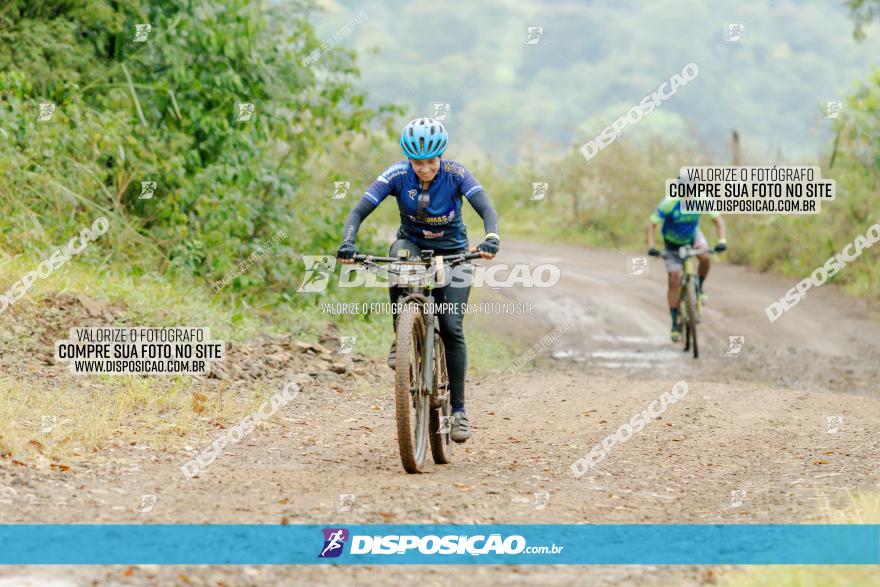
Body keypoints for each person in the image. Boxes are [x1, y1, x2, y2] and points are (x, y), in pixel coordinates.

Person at [336, 118, 500, 443]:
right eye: (417, 162)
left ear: (441, 156)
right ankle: (401, 335)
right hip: (412, 246)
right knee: (399, 254)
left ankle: (458, 411)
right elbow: (358, 211)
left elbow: (486, 208)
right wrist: (348, 243)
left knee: (451, 326)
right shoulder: (397, 175)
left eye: (430, 162)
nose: (424, 169)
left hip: (453, 254)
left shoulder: (456, 174)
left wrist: (491, 236)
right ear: (408, 159)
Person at [647, 168, 727, 342]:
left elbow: (718, 220)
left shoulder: (702, 199)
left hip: (693, 237)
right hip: (671, 243)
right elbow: (652, 224)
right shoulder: (669, 202)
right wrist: (652, 246)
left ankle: (699, 286)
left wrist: (722, 240)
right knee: (674, 279)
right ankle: (675, 323)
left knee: (705, 257)